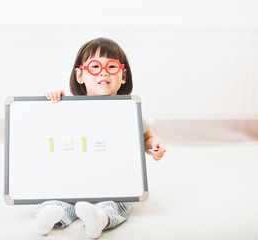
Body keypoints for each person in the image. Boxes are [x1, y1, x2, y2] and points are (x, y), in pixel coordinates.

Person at [36, 37, 166, 239]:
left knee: (118, 202)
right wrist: (55, 101)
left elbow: (146, 138)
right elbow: (50, 127)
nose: (104, 72)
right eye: (95, 66)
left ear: (123, 76)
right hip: (75, 179)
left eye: (111, 66)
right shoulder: (68, 108)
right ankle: (49, 215)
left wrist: (153, 146)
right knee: (55, 197)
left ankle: (99, 218)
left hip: (113, 182)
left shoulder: (130, 111)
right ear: (80, 75)